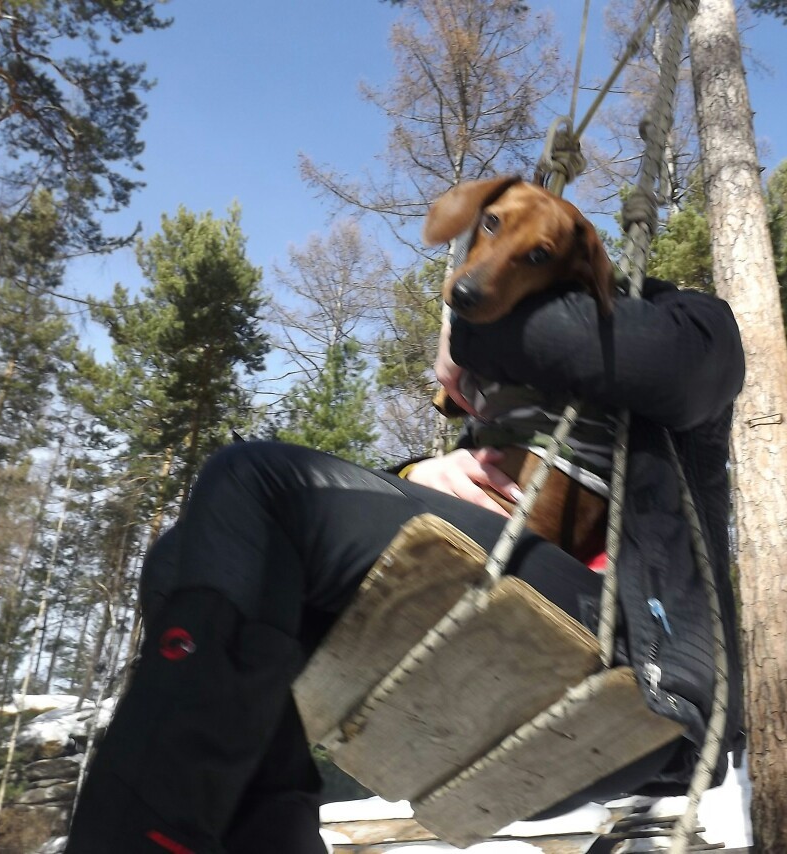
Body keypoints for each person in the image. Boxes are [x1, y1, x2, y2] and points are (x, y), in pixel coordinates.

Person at [65, 277, 745, 854]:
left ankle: (141, 831)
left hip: (636, 656)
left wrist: (475, 328)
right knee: (182, 557)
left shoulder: (684, 318)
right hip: (508, 644)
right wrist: (428, 472)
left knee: (254, 482)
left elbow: (674, 369)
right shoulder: (523, 407)